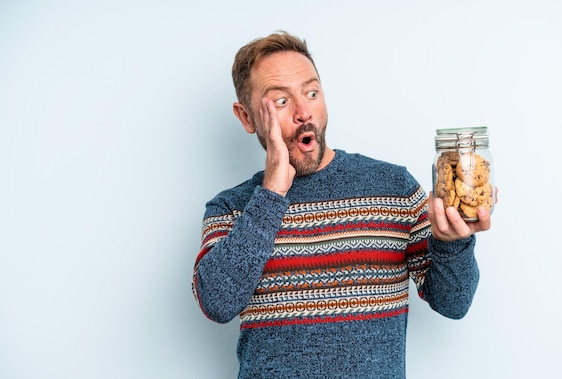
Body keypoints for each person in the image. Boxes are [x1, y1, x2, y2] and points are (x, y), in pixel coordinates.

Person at [192, 30, 493, 378]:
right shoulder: (230, 208)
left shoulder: (393, 188)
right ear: (246, 117)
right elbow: (217, 303)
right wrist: (272, 192)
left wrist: (453, 244)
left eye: (312, 92)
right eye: (281, 101)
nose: (304, 112)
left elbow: (454, 303)